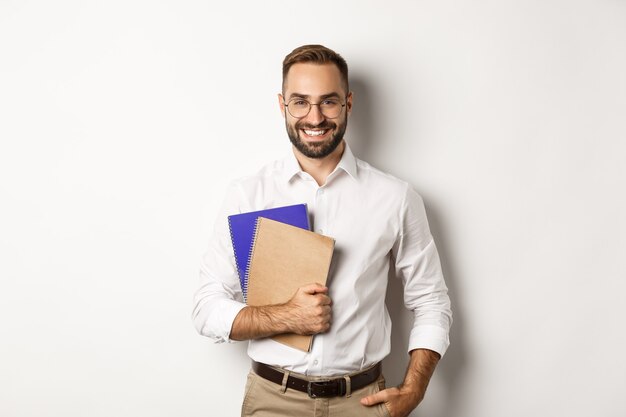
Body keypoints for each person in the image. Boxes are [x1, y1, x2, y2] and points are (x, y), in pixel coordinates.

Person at [193, 44, 452, 417]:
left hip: (362, 402)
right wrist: (286, 316)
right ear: (282, 105)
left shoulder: (395, 197)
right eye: (300, 102)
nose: (314, 117)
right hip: (273, 401)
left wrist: (414, 390)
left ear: (348, 103)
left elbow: (431, 301)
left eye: (328, 102)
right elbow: (206, 307)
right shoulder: (248, 194)